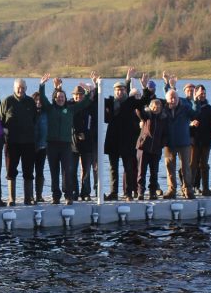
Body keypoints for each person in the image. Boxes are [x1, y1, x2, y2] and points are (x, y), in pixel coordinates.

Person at [39, 74, 98, 205]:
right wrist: (42, 85)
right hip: (52, 145)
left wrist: (89, 90)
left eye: (62, 97)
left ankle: (68, 196)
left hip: (66, 145)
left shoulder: (70, 109)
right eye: (58, 97)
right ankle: (55, 196)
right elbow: (42, 99)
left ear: (65, 99)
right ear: (55, 99)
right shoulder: (50, 109)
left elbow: (86, 102)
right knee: (54, 172)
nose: (60, 99)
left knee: (67, 171)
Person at [103, 69, 151, 200]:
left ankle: (128, 193)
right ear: (114, 92)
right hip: (113, 141)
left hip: (127, 141)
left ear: (125, 91)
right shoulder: (109, 102)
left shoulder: (130, 102)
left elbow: (144, 100)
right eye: (117, 90)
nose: (120, 92)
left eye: (122, 90)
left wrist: (144, 87)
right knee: (113, 169)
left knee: (128, 168)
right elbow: (95, 100)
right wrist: (95, 85)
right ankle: (113, 193)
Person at [0, 78, 38, 206]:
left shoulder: (30, 102)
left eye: (23, 87)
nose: (20, 90)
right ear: (14, 88)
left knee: (28, 170)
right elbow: (0, 120)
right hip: (12, 143)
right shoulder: (7, 101)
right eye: (18, 87)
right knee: (11, 170)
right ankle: (11, 198)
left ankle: (28, 198)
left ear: (26, 88)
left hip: (28, 142)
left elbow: (35, 119)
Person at [162, 84, 195, 199]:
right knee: (169, 167)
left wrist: (197, 101)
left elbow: (196, 114)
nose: (173, 100)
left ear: (178, 98)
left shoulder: (185, 107)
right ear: (167, 99)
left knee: (186, 168)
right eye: (171, 98)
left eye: (175, 97)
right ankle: (171, 190)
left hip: (184, 142)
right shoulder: (163, 108)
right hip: (169, 143)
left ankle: (188, 190)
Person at [135, 95, 167, 200]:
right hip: (143, 148)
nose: (156, 108)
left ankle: (152, 192)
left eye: (158, 106)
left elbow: (165, 135)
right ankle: (140, 192)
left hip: (156, 150)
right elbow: (139, 111)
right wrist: (142, 98)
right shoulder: (147, 116)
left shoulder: (163, 119)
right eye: (154, 106)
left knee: (154, 173)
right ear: (150, 107)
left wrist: (161, 144)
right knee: (141, 172)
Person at [71, 83, 98, 200]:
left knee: (86, 170)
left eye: (80, 95)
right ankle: (74, 192)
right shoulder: (70, 105)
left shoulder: (90, 107)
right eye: (76, 95)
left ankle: (85, 193)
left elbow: (93, 125)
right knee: (72, 169)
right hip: (73, 144)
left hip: (87, 143)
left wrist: (86, 135)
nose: (78, 97)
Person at [190, 85, 211, 196]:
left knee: (204, 165)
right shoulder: (191, 107)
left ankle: (205, 188)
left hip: (206, 142)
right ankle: (190, 188)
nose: (203, 95)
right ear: (195, 93)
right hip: (194, 141)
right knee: (192, 165)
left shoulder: (209, 108)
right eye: (201, 93)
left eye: (204, 94)